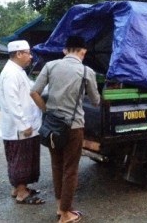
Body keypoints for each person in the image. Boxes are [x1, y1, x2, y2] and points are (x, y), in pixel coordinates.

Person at [30, 35, 101, 223]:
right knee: (70, 169)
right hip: (74, 127)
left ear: (64, 50)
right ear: (83, 51)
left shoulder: (50, 66)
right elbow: (95, 100)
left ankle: (60, 206)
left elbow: (34, 92)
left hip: (52, 125)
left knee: (57, 165)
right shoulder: (87, 71)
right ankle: (66, 214)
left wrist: (46, 111)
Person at [0, 40, 44, 205]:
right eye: (28, 53)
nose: (31, 57)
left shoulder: (18, 71)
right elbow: (12, 102)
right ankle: (22, 192)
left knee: (21, 157)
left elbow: (30, 88)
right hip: (19, 127)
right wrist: (23, 125)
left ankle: (18, 188)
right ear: (18, 54)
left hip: (24, 124)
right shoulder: (11, 73)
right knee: (20, 158)